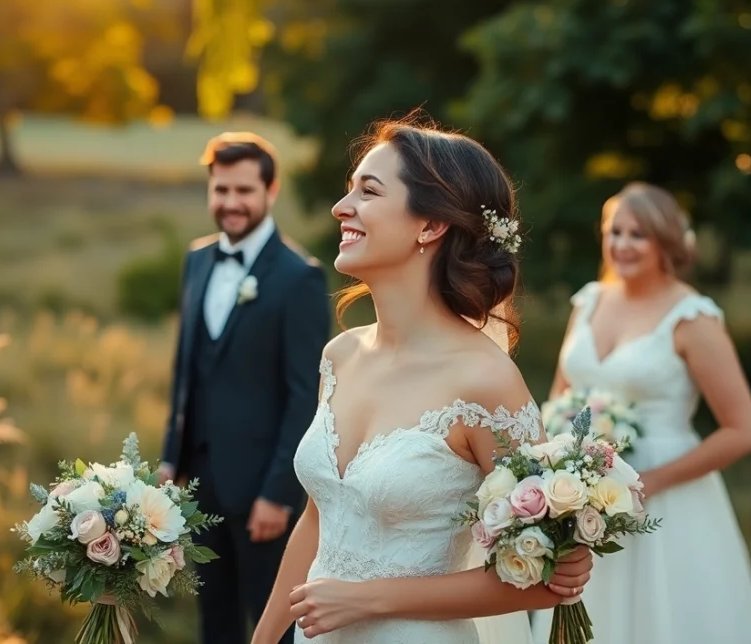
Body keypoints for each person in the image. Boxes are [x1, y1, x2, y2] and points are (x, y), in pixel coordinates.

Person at [250, 117, 593, 644]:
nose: (342, 208)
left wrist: (365, 598)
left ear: (430, 226)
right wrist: (266, 637)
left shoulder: (486, 382)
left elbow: (542, 574)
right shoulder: (339, 356)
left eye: (368, 192)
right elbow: (321, 517)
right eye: (349, 191)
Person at [531, 182, 751, 643]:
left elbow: (744, 431)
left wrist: (648, 484)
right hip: (584, 502)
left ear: (666, 241)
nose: (621, 244)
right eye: (613, 231)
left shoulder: (692, 318)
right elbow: (559, 399)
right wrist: (553, 471)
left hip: (668, 499)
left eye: (637, 234)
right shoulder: (588, 302)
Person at [159, 132, 331, 644]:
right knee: (214, 616)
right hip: (199, 480)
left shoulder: (299, 277)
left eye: (243, 191)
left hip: (261, 490)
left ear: (270, 190)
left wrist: (278, 494)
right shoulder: (197, 260)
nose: (230, 203)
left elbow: (306, 394)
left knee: (272, 620)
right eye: (221, 190)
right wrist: (172, 459)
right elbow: (184, 370)